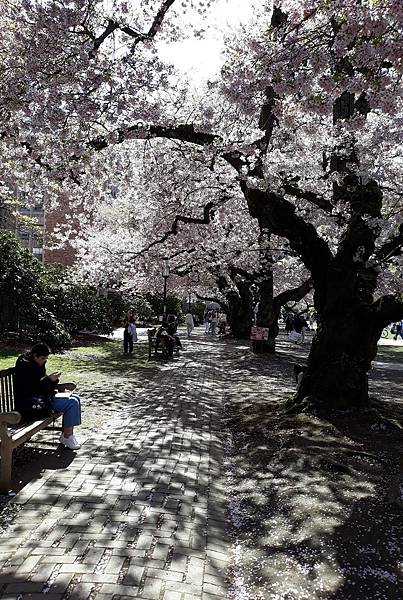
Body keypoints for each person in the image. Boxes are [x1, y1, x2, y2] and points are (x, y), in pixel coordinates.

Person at [14, 342, 81, 450]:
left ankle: (69, 435)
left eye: (46, 358)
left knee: (75, 398)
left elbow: (42, 385)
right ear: (35, 355)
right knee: (72, 403)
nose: (44, 361)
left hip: (42, 398)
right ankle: (67, 436)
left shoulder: (37, 363)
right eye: (43, 358)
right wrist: (49, 380)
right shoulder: (25, 367)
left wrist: (52, 381)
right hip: (30, 404)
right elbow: (32, 388)